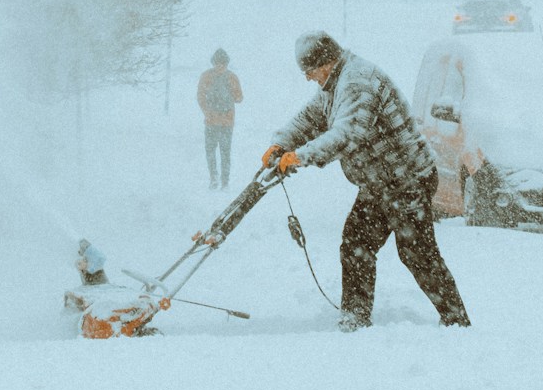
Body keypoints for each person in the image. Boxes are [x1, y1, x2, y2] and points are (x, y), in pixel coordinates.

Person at [263, 29, 470, 331]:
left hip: (407, 179)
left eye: (309, 70)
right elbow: (311, 118)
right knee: (356, 244)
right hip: (379, 182)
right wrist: (281, 143)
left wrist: (301, 156)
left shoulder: (358, 82)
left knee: (416, 253)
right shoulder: (334, 84)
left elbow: (348, 133)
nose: (307, 77)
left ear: (326, 61)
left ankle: (456, 321)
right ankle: (355, 316)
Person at [196, 47, 243, 188]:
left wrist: (207, 112)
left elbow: (200, 96)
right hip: (224, 122)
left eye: (221, 63)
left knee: (214, 151)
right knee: (223, 152)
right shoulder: (231, 77)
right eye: (218, 63)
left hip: (214, 122)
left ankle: (218, 179)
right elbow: (239, 98)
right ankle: (221, 180)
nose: (220, 66)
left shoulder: (206, 76)